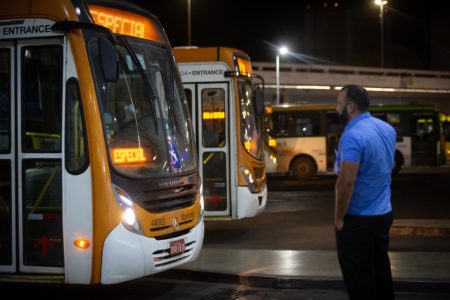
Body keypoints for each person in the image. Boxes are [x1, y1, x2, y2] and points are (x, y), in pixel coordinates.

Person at [334, 84, 396, 300]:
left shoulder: (352, 136)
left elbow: (346, 182)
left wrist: (339, 219)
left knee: (359, 281)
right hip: (383, 214)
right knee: (381, 273)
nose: (336, 108)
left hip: (358, 220)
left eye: (339, 103)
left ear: (350, 106)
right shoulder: (387, 129)